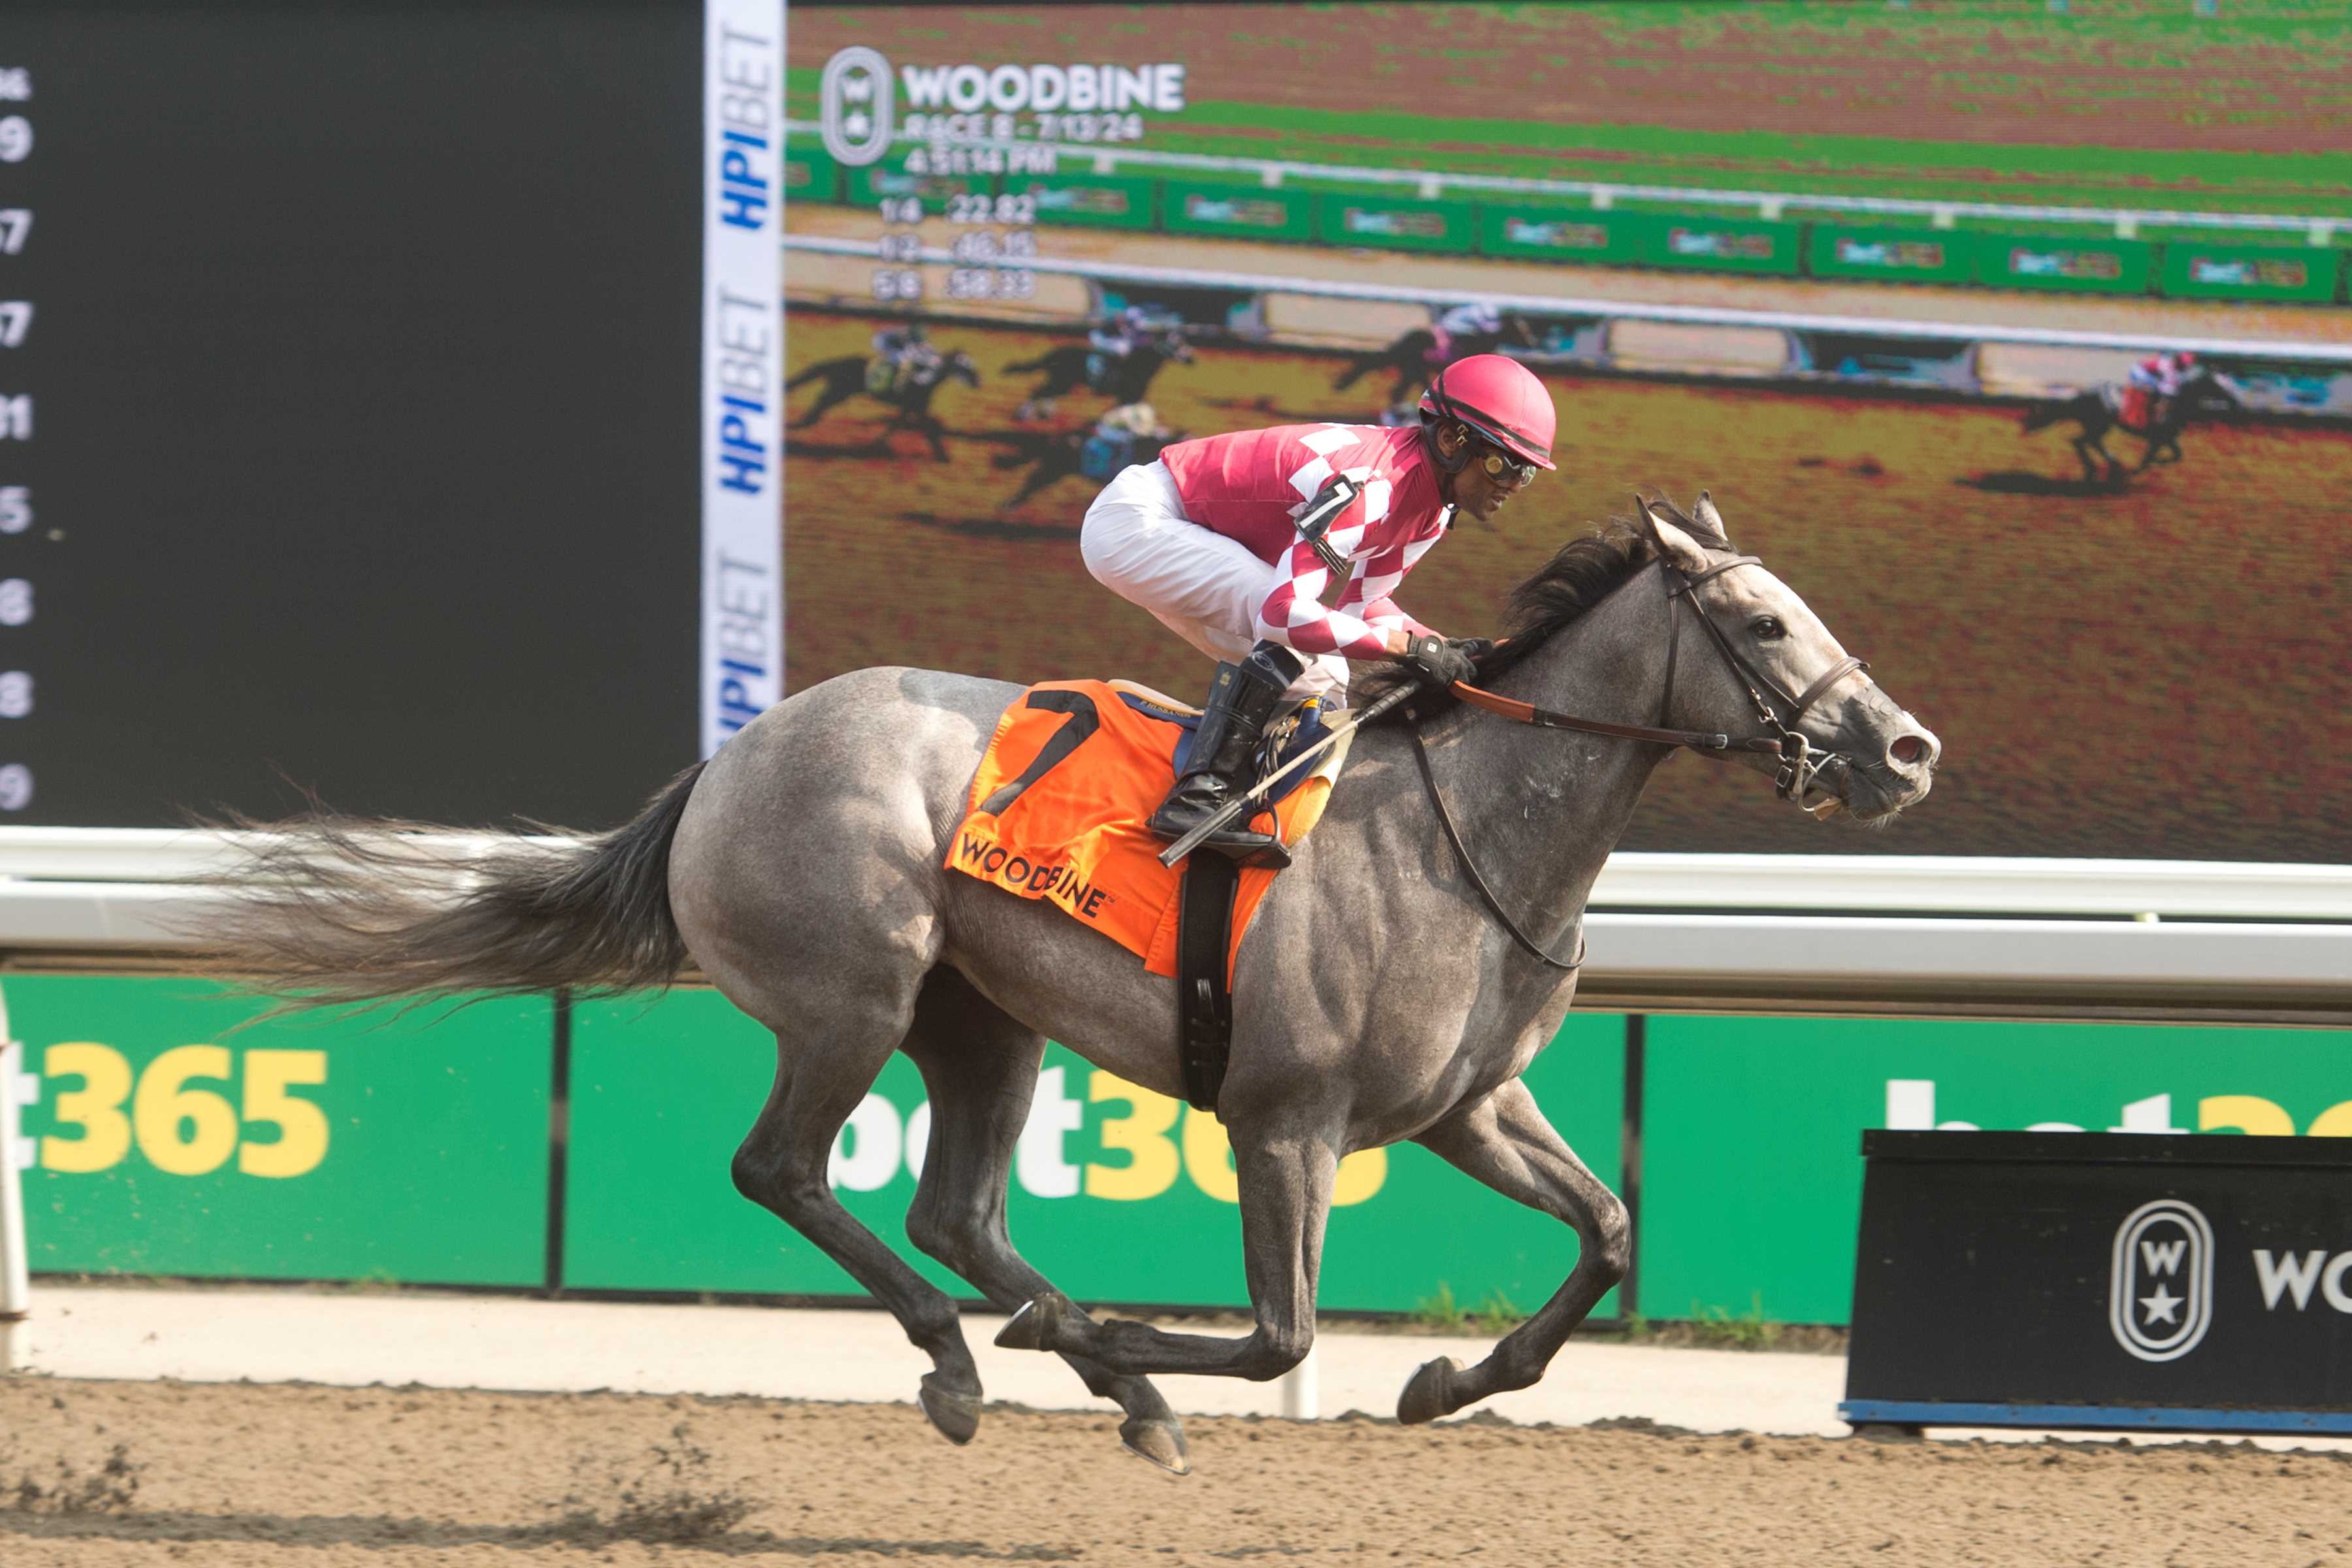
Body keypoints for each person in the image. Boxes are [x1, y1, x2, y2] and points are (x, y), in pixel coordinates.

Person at [1079, 354, 1558, 864]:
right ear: (1450, 442)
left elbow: (1367, 607)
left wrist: (1449, 647)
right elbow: (1284, 614)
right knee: (1320, 663)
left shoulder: (1432, 510)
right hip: (1139, 522)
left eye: (1525, 472)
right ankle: (1198, 800)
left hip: (1180, 527)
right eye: (1502, 463)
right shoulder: (1373, 488)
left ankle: (1228, 796)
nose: (1512, 484)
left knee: (1323, 673)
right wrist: (1409, 648)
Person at [868, 321, 935, 396]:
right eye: (878, 377)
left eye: (872, 374)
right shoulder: (910, 362)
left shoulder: (880, 342)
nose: (876, 371)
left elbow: (900, 330)